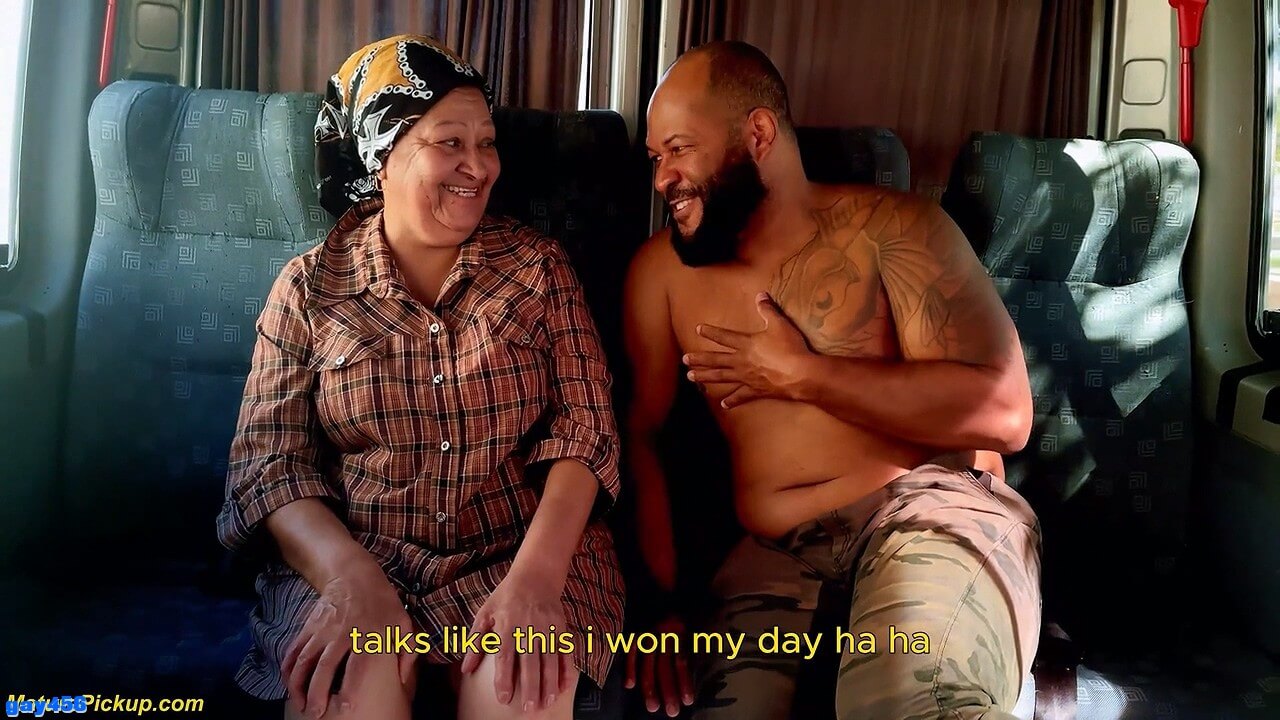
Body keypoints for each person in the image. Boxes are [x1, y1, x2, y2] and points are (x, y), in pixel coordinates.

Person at [622, 41, 1041, 719]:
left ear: (758, 134)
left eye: (679, 149)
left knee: (910, 701)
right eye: (654, 158)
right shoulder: (659, 275)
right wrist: (660, 605)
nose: (663, 178)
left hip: (928, 514)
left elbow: (1004, 413)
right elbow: (642, 439)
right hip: (776, 559)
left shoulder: (894, 229)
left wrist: (803, 374)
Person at [217, 34, 624, 720]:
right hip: (353, 559)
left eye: (487, 143)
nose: (478, 166)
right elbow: (269, 468)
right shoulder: (307, 290)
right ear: (382, 157)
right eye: (450, 143)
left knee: (519, 691)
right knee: (346, 690)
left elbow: (587, 435)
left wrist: (535, 580)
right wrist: (351, 580)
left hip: (519, 555)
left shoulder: (540, 270)